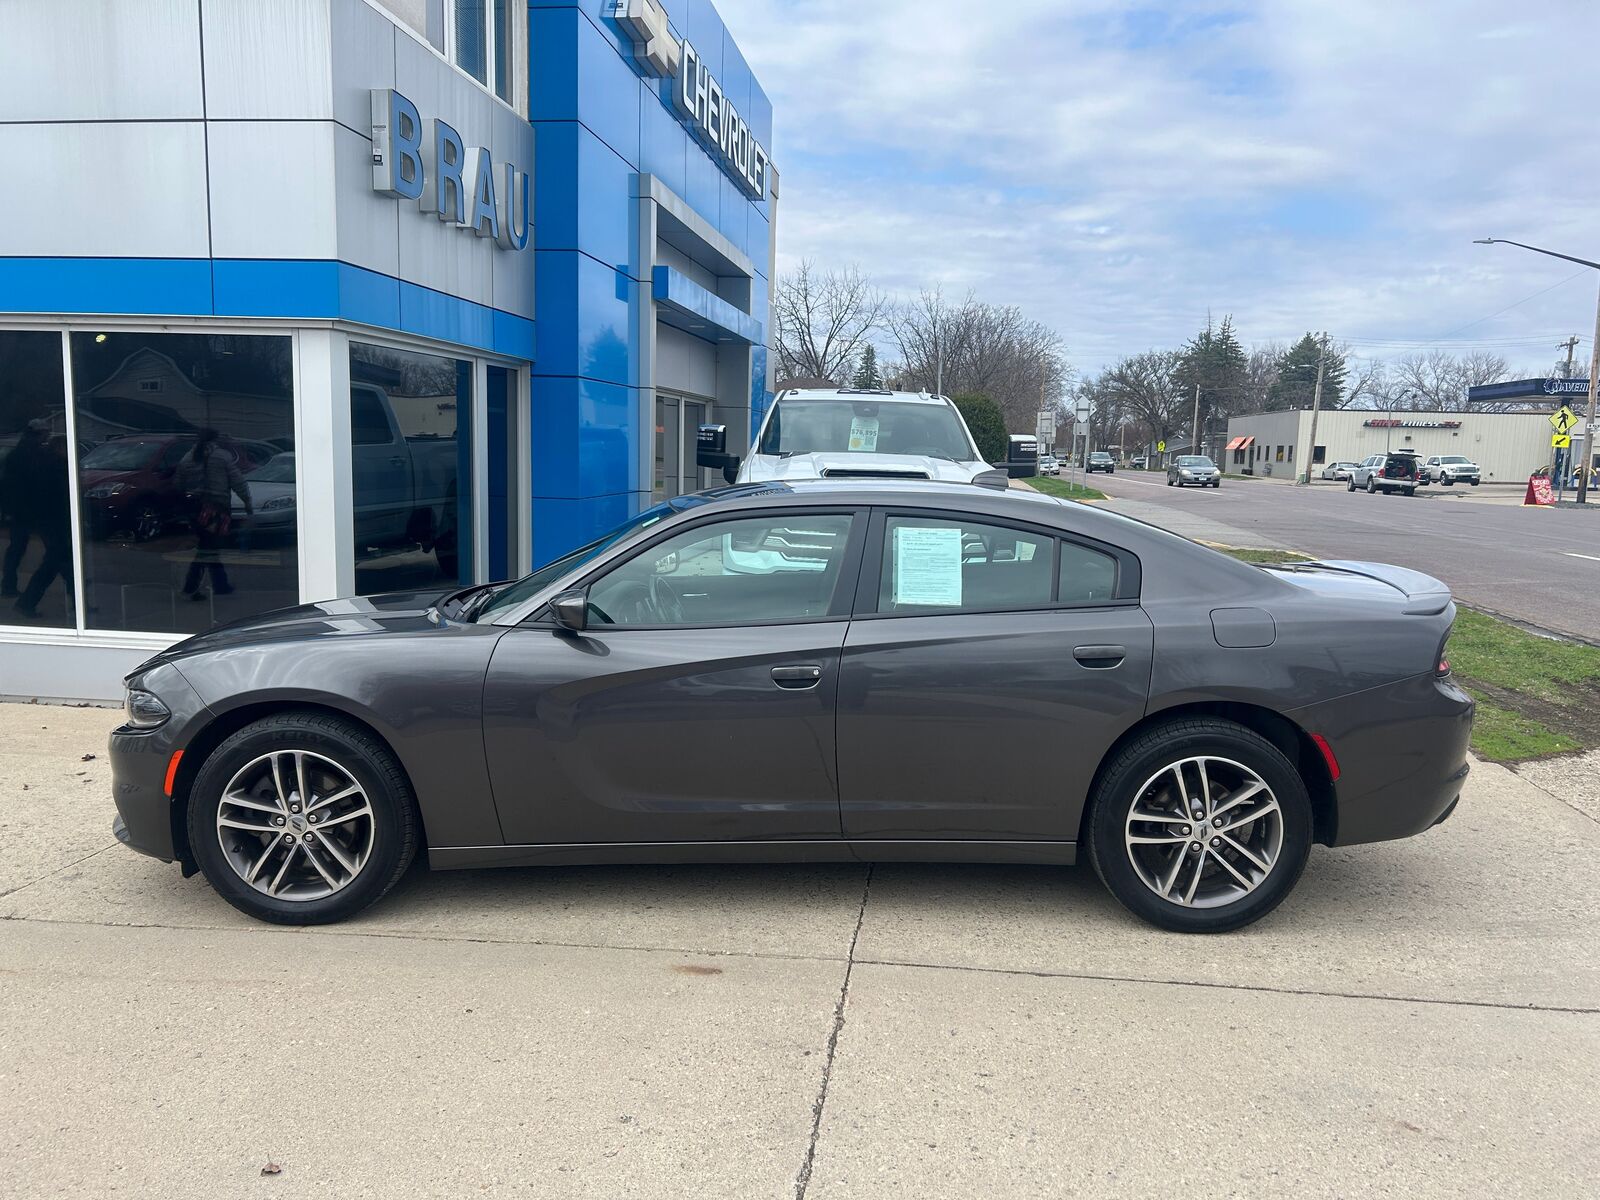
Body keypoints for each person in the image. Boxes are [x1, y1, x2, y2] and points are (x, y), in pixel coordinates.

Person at [174, 431, 252, 599]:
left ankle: (218, 584)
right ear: (215, 440)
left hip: (195, 508)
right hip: (218, 507)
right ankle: (194, 587)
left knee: (207, 546)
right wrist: (247, 502)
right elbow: (238, 481)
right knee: (208, 548)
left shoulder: (189, 457)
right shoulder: (222, 457)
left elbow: (178, 482)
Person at [13, 434, 73, 620]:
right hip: (54, 521)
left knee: (65, 563)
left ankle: (80, 604)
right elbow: (58, 496)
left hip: (48, 520)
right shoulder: (55, 467)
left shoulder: (44, 465)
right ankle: (26, 602)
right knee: (56, 562)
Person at [1, 419, 50, 597]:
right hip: (30, 509)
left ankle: (8, 586)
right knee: (55, 551)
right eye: (45, 433)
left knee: (16, 549)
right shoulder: (30, 455)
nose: (47, 436)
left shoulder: (18, 455)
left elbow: (7, 485)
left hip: (23, 510)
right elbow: (12, 486)